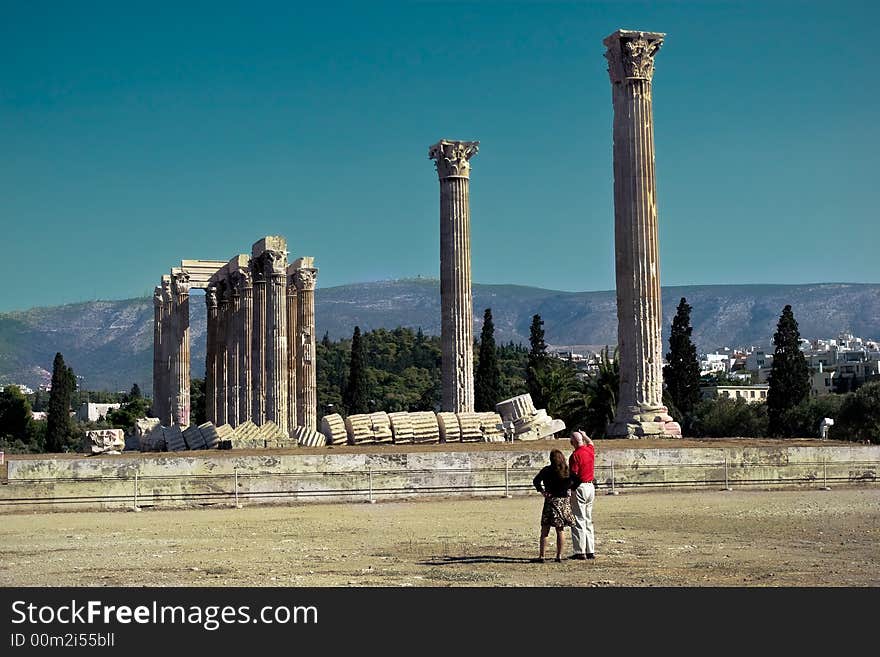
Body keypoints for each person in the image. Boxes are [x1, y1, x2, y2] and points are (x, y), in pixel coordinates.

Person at [531, 448, 575, 562]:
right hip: (563, 502)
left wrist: (542, 491)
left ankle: (542, 555)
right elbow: (576, 480)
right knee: (560, 530)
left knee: (545, 530)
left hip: (550, 501)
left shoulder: (547, 470)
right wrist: (569, 489)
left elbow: (536, 481)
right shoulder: (567, 470)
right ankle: (559, 556)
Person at [568, 430, 596, 560]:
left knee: (579, 518)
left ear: (572, 442)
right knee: (588, 519)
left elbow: (574, 474)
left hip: (580, 487)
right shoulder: (589, 450)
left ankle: (580, 551)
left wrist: (570, 488)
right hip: (591, 486)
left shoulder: (575, 455)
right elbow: (591, 442)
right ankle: (590, 550)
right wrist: (584, 435)